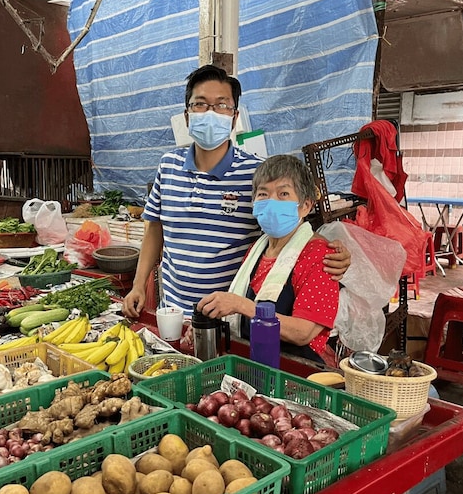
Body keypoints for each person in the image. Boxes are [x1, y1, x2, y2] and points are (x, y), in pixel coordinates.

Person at [122, 65, 350, 317]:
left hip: (230, 316)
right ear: (187, 116)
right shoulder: (168, 166)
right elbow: (155, 228)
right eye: (200, 104)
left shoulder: (256, 173)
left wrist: (329, 250)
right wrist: (138, 285)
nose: (210, 113)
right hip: (174, 312)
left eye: (221, 105)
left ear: (234, 117)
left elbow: (290, 227)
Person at [196, 154, 339, 364]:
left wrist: (241, 305)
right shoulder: (257, 248)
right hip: (250, 364)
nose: (272, 202)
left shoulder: (320, 256)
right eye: (263, 194)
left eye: (283, 194)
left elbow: (303, 332)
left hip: (295, 372)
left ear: (305, 206)